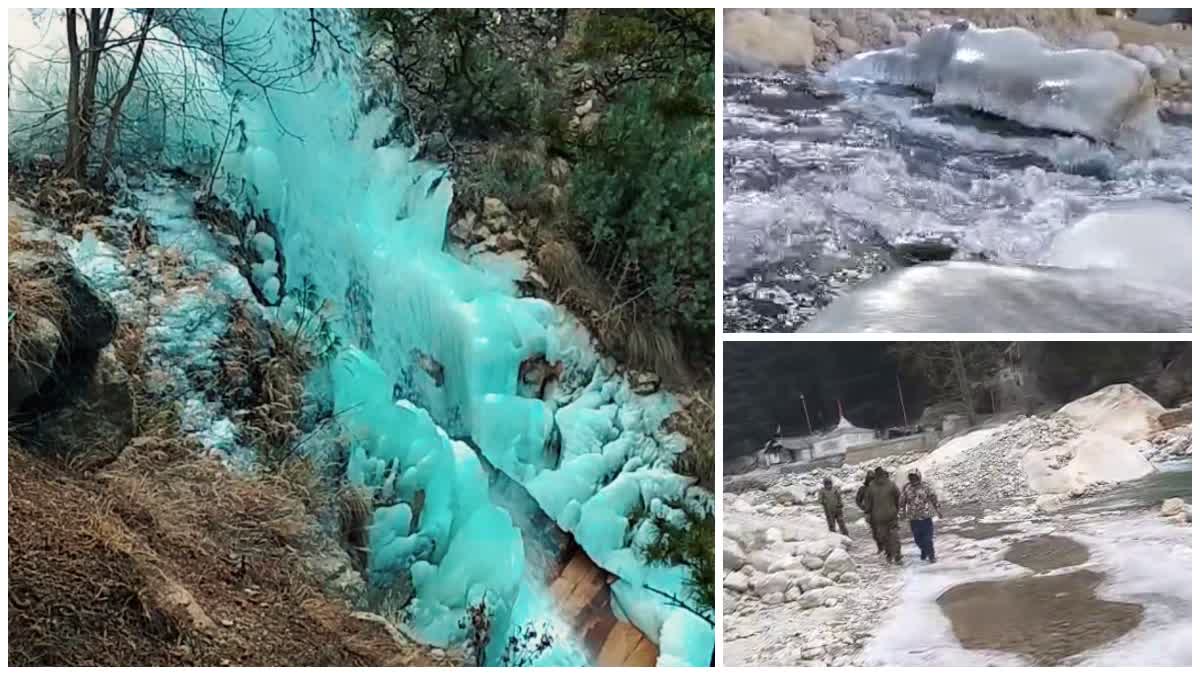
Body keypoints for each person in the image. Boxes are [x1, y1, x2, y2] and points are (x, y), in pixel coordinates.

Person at [899, 468, 943, 563]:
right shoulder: (906, 488)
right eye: (911, 477)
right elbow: (902, 502)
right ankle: (924, 550)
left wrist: (938, 510)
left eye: (915, 477)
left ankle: (931, 556)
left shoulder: (925, 487)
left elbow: (933, 498)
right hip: (913, 519)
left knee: (927, 538)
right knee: (918, 540)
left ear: (918, 477)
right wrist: (902, 513)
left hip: (925, 517)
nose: (913, 479)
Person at [863, 467, 902, 564]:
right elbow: (868, 502)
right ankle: (892, 554)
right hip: (884, 517)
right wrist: (867, 513)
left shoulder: (888, 485)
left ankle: (894, 554)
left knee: (890, 536)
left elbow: (898, 497)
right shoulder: (875, 486)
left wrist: (897, 509)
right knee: (888, 536)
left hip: (885, 517)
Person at [855, 471, 882, 553]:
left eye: (873, 479)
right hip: (870, 514)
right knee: (875, 531)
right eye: (870, 479)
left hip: (881, 512)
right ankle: (880, 547)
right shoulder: (863, 489)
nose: (872, 481)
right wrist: (863, 508)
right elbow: (858, 500)